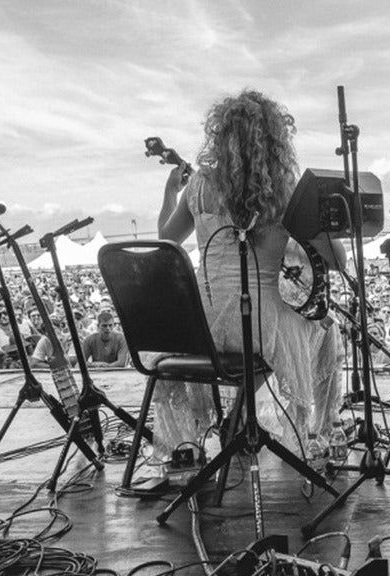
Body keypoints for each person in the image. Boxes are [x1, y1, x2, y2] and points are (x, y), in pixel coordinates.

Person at [156, 89, 345, 449]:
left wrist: (169, 193)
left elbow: (166, 240)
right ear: (276, 142)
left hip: (201, 320)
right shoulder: (285, 191)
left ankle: (239, 417)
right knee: (326, 328)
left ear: (220, 136)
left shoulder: (198, 186)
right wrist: (322, 214)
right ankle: (319, 432)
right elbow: (338, 261)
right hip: (261, 322)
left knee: (261, 339)